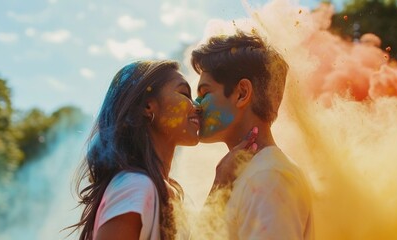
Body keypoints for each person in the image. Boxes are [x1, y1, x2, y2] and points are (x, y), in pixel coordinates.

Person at [69, 60, 257, 240]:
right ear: (148, 106)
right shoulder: (135, 187)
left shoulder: (165, 191)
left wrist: (222, 181)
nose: (198, 106)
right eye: (184, 93)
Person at [191, 30, 315, 239]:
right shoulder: (249, 173)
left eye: (205, 93)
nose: (196, 106)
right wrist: (218, 186)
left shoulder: (270, 177)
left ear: (242, 93)